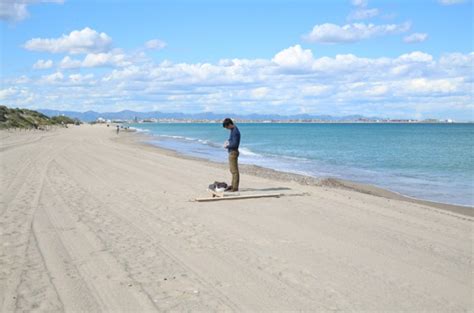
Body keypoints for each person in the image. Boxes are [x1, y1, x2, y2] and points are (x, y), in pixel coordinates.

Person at [223, 118, 240, 192]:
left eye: (227, 127)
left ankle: (235, 188)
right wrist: (228, 141)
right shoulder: (233, 130)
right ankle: (233, 185)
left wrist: (227, 146)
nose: (227, 129)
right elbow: (232, 140)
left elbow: (235, 144)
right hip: (232, 152)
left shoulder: (235, 131)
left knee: (234, 171)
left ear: (229, 124)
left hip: (233, 152)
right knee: (232, 170)